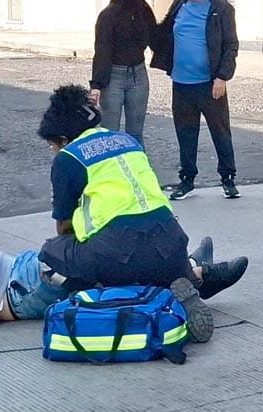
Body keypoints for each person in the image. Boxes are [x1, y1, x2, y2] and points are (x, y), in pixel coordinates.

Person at [37, 84, 248, 342]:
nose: (54, 151)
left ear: (63, 139)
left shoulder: (68, 158)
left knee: (50, 254)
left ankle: (122, 295)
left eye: (53, 145)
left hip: (116, 251)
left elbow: (63, 227)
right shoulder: (129, 141)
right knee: (147, 258)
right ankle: (192, 274)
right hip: (171, 240)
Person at [150, 0, 240, 200]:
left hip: (210, 84)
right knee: (186, 133)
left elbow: (231, 46)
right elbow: (163, 30)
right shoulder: (180, 3)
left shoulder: (221, 9)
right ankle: (187, 180)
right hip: (182, 83)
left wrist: (222, 77)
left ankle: (228, 178)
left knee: (220, 131)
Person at [89, 0, 156, 147]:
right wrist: (97, 85)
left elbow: (157, 38)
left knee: (135, 132)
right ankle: (108, 169)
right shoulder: (108, 16)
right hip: (114, 77)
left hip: (138, 74)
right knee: (109, 130)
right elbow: (102, 50)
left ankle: (137, 170)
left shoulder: (144, 11)